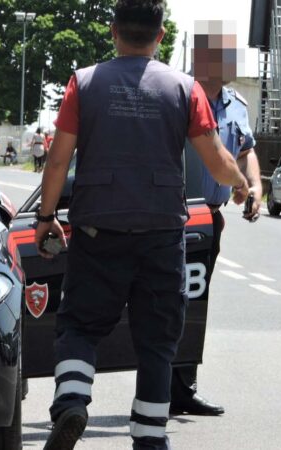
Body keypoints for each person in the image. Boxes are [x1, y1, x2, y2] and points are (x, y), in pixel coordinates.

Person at [34, 2, 248, 449]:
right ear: (162, 34)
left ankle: (72, 401)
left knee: (80, 325)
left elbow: (58, 159)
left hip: (97, 230)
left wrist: (46, 217)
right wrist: (240, 181)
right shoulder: (185, 89)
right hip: (160, 234)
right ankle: (150, 440)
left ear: (113, 31)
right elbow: (215, 158)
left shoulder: (85, 83)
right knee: (157, 340)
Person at [170, 19, 263, 418]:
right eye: (219, 55)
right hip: (174, 215)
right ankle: (163, 384)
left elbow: (245, 152)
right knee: (171, 301)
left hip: (210, 219)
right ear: (200, 58)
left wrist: (254, 186)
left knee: (195, 300)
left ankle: (182, 387)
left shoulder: (237, 106)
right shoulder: (177, 97)